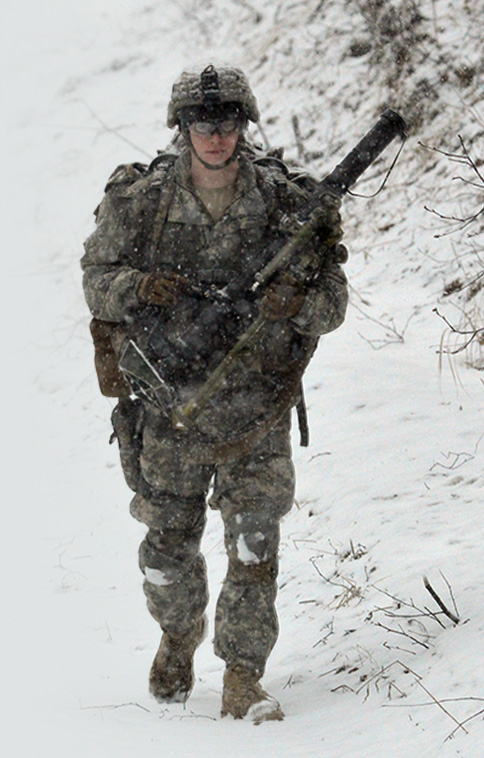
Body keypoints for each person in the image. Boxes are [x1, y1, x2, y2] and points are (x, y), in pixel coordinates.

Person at [81, 63, 348, 723]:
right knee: (167, 551)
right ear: (183, 128)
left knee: (254, 544)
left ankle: (243, 675)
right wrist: (139, 289)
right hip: (167, 405)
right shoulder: (140, 201)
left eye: (229, 122)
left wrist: (296, 303)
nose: (217, 136)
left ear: (244, 125)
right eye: (204, 123)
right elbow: (95, 276)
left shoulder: (287, 204)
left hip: (255, 406)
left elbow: (332, 302)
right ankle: (179, 632)